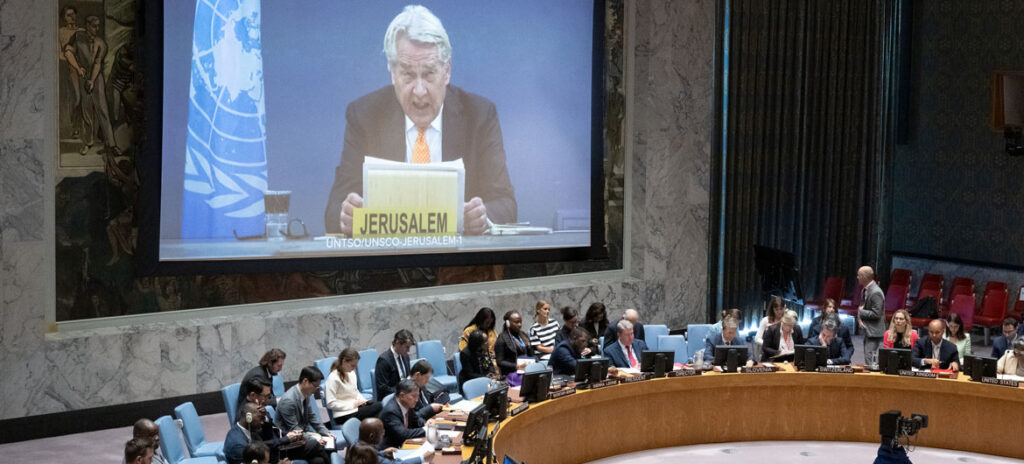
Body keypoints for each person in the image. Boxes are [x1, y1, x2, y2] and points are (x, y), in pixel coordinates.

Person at [324, 4, 516, 236]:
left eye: (428, 74)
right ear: (392, 73)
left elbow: (506, 205)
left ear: (446, 72)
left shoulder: (479, 115)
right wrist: (346, 216)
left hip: (457, 261)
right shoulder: (364, 116)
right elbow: (334, 211)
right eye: (407, 74)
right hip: (388, 262)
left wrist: (482, 217)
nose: (419, 91)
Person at [274, 366, 333, 463]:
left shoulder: (305, 394)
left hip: (302, 437)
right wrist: (313, 439)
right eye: (315, 386)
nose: (316, 389)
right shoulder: (288, 401)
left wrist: (325, 432)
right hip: (288, 444)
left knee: (319, 460)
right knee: (318, 445)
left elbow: (312, 416)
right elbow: (293, 428)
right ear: (305, 381)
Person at [224, 402, 302, 464]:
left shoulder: (248, 429)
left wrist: (265, 415)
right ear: (248, 418)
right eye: (260, 418)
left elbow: (270, 435)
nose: (262, 422)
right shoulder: (238, 445)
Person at [325, 348, 382, 424]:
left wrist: (363, 401)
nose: (354, 368)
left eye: (355, 366)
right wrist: (352, 405)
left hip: (355, 408)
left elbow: (355, 391)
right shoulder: (333, 378)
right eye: (352, 365)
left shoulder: (351, 373)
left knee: (378, 406)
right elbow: (330, 403)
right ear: (344, 361)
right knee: (379, 406)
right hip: (343, 414)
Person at [380, 379, 435, 449]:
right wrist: (426, 429)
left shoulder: (406, 403)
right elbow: (403, 434)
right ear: (402, 395)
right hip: (390, 451)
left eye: (418, 396)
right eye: (414, 396)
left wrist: (425, 424)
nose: (417, 400)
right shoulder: (391, 411)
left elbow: (416, 419)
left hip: (403, 444)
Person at [357, 417, 432, 464]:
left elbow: (374, 453)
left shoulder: (357, 445)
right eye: (381, 431)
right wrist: (422, 458)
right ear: (372, 436)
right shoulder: (371, 457)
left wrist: (383, 453)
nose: (383, 433)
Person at [857, 266, 887, 367]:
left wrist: (861, 312)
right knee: (868, 357)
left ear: (865, 277)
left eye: (859, 275)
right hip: (868, 329)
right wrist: (860, 317)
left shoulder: (876, 292)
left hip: (874, 331)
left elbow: (876, 314)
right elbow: (862, 306)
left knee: (870, 359)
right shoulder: (865, 290)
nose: (857, 277)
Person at [376, 329, 415, 400]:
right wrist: (401, 392)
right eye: (406, 347)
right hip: (392, 397)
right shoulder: (384, 360)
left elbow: (408, 376)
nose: (408, 350)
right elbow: (382, 387)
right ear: (398, 343)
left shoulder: (405, 356)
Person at [494, 310, 534, 377]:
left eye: (520, 322)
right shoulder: (502, 338)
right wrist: (516, 366)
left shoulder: (523, 335)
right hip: (512, 372)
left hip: (526, 369)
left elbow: (531, 353)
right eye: (516, 322)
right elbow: (500, 361)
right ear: (508, 323)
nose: (519, 325)